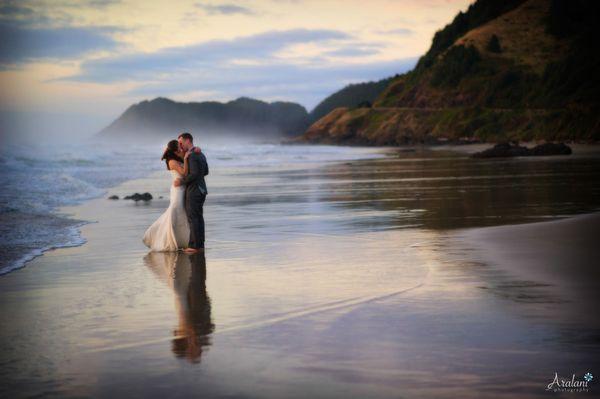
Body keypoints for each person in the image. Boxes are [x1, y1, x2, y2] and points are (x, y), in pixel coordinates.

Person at [142, 139, 196, 251]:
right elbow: (184, 173)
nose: (181, 147)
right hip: (178, 190)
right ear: (175, 150)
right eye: (179, 146)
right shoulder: (172, 161)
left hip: (182, 187)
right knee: (175, 211)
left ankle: (183, 240)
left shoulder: (176, 158)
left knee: (181, 213)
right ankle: (157, 236)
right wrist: (185, 158)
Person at [174, 132, 209, 253]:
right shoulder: (201, 154)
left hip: (194, 191)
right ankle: (200, 244)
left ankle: (194, 246)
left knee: (193, 218)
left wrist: (181, 181)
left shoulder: (192, 155)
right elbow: (206, 171)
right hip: (202, 189)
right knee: (199, 218)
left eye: (181, 142)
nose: (180, 144)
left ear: (187, 140)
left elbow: (193, 174)